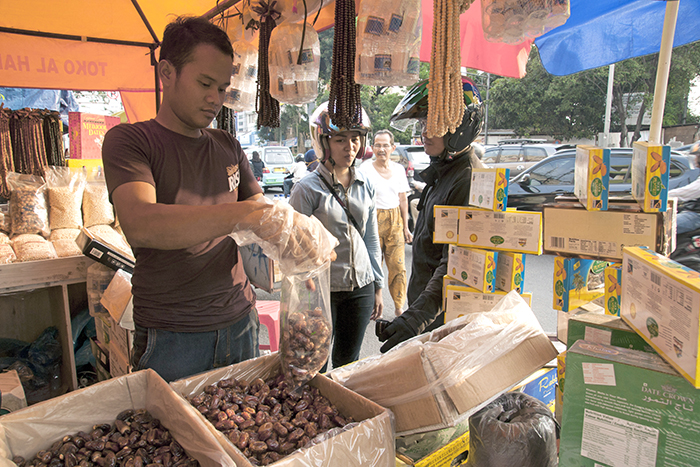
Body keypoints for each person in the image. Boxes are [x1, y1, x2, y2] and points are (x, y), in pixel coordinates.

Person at [101, 16, 332, 382]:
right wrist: (243, 215)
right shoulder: (131, 142)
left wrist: (299, 247)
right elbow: (141, 223)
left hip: (241, 321)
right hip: (173, 335)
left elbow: (262, 214)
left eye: (223, 88)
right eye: (205, 83)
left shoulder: (226, 145)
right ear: (167, 73)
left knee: (242, 430)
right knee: (176, 437)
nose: (215, 99)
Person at [378, 78, 485, 353]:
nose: (424, 132)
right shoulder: (444, 172)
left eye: (433, 124)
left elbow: (455, 262)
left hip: (444, 322)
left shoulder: (468, 179)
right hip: (428, 314)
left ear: (459, 127)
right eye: (423, 123)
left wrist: (417, 319)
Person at [289, 102, 384, 370]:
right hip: (322, 291)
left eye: (355, 139)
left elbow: (371, 239)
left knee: (347, 364)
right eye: (340, 139)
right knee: (313, 362)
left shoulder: (367, 184)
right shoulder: (306, 190)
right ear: (324, 142)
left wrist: (378, 285)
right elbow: (294, 247)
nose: (349, 146)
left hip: (361, 288)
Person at [359, 129, 412, 315]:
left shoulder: (398, 170)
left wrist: (406, 227)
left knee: (397, 265)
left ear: (393, 147)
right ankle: (374, 304)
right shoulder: (364, 169)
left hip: (395, 220)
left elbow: (403, 198)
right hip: (372, 220)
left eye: (385, 145)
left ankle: (399, 308)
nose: (382, 149)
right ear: (372, 148)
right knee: (373, 264)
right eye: (378, 145)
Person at [669, 142, 700, 234]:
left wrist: (662, 196)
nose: (695, 161)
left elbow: (686, 193)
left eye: (697, 157)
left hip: (696, 215)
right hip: (692, 209)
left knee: (664, 226)